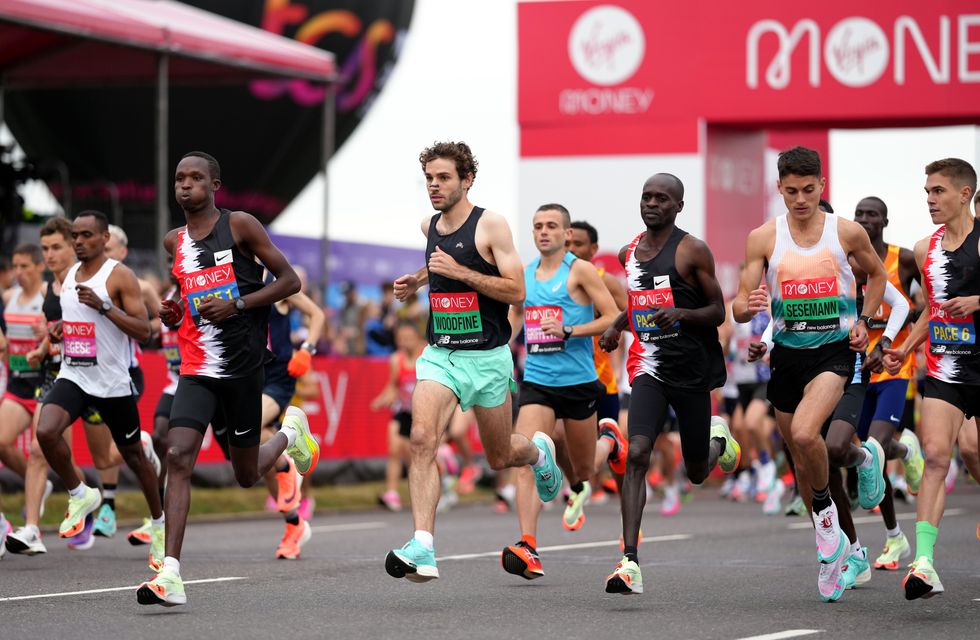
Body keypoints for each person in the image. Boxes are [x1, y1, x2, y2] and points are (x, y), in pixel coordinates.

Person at [136, 151, 317, 606]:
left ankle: (290, 431)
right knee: (178, 455)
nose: (185, 185)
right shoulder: (171, 241)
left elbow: (289, 281)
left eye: (196, 178)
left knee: (245, 474)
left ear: (215, 185)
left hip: (242, 367)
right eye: (179, 178)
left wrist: (237, 304)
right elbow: (185, 291)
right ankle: (171, 574)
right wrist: (174, 309)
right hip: (196, 368)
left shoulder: (240, 225)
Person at [384, 141, 561, 583]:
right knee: (422, 437)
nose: (434, 186)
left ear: (467, 180)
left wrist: (459, 273)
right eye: (429, 178)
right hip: (441, 354)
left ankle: (538, 453)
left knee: (501, 456)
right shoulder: (430, 225)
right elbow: (442, 260)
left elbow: (517, 292)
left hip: (487, 358)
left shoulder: (492, 225)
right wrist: (419, 278)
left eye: (443, 178)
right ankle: (423, 545)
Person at [733, 146, 887, 602]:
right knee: (803, 461)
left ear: (823, 186)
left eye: (808, 189)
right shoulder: (763, 237)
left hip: (833, 354)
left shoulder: (845, 231)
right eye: (791, 191)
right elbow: (741, 303)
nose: (800, 199)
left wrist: (865, 320)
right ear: (779, 189)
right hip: (786, 358)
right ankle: (837, 551)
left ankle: (826, 527)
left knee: (805, 434)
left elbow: (876, 278)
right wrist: (750, 307)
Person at [599, 172, 740, 595]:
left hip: (691, 371)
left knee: (697, 471)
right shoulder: (629, 251)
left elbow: (718, 311)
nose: (652, 203)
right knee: (637, 452)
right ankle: (629, 561)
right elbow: (638, 300)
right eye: (647, 196)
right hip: (648, 367)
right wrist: (618, 326)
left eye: (662, 198)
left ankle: (719, 442)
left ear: (678, 206)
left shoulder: (692, 250)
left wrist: (681, 314)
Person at [34, 211, 165, 568]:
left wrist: (105, 306)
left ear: (105, 238)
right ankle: (80, 494)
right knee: (46, 431)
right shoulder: (69, 276)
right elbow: (79, 320)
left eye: (86, 235)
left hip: (111, 383)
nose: (78, 241)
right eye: (75, 235)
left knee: (134, 458)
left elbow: (143, 330)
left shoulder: (119, 276)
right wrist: (63, 328)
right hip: (74, 375)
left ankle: (159, 525)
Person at [500, 203, 617, 580]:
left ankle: (609, 440)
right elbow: (515, 315)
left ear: (567, 233)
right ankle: (528, 545)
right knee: (525, 454)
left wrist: (568, 330)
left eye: (551, 225)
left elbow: (612, 316)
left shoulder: (579, 270)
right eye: (537, 226)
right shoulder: (524, 274)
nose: (543, 231)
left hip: (579, 382)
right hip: (538, 381)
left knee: (584, 471)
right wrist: (503, 347)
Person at [881, 158, 980, 600]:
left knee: (974, 451)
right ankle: (924, 564)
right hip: (946, 367)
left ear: (965, 195)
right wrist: (905, 346)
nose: (929, 200)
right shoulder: (926, 249)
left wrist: (977, 300)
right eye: (926, 192)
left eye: (938, 191)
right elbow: (932, 310)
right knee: (938, 456)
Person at [850, 196, 925, 572]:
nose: (865, 219)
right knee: (867, 456)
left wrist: (898, 328)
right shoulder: (849, 262)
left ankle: (894, 536)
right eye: (860, 214)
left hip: (896, 368)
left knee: (874, 450)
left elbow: (930, 303)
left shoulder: (905, 258)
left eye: (873, 214)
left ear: (885, 220)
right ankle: (894, 534)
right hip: (860, 371)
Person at [258, 272, 324, 560]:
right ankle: (294, 524)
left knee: (251, 424)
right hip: (247, 377)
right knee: (257, 458)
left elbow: (317, 314)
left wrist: (307, 350)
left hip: (278, 379)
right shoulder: (229, 283)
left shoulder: (276, 284)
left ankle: (294, 435)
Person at [567, 221, 630, 495]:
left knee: (610, 443)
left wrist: (607, 323)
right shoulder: (555, 281)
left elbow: (633, 319)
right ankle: (579, 489)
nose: (571, 250)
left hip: (601, 377)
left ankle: (628, 498)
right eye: (568, 243)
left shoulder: (605, 281)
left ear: (593, 249)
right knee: (562, 438)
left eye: (578, 244)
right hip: (563, 375)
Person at [0, 243, 47, 481]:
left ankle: (85, 495)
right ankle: (38, 484)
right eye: (15, 266)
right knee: (0, 442)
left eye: (25, 266)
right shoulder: (9, 296)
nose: (18, 271)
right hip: (17, 386)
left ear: (40, 266)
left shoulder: (49, 293)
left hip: (46, 385)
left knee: (59, 459)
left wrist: (48, 330)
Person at [373, 321, 426, 512]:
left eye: (408, 338)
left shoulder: (426, 355)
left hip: (423, 414)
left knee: (417, 457)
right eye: (400, 338)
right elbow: (393, 386)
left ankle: (425, 492)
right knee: (394, 450)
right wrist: (382, 399)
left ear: (417, 338)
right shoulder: (396, 359)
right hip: (403, 410)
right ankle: (392, 492)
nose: (404, 342)